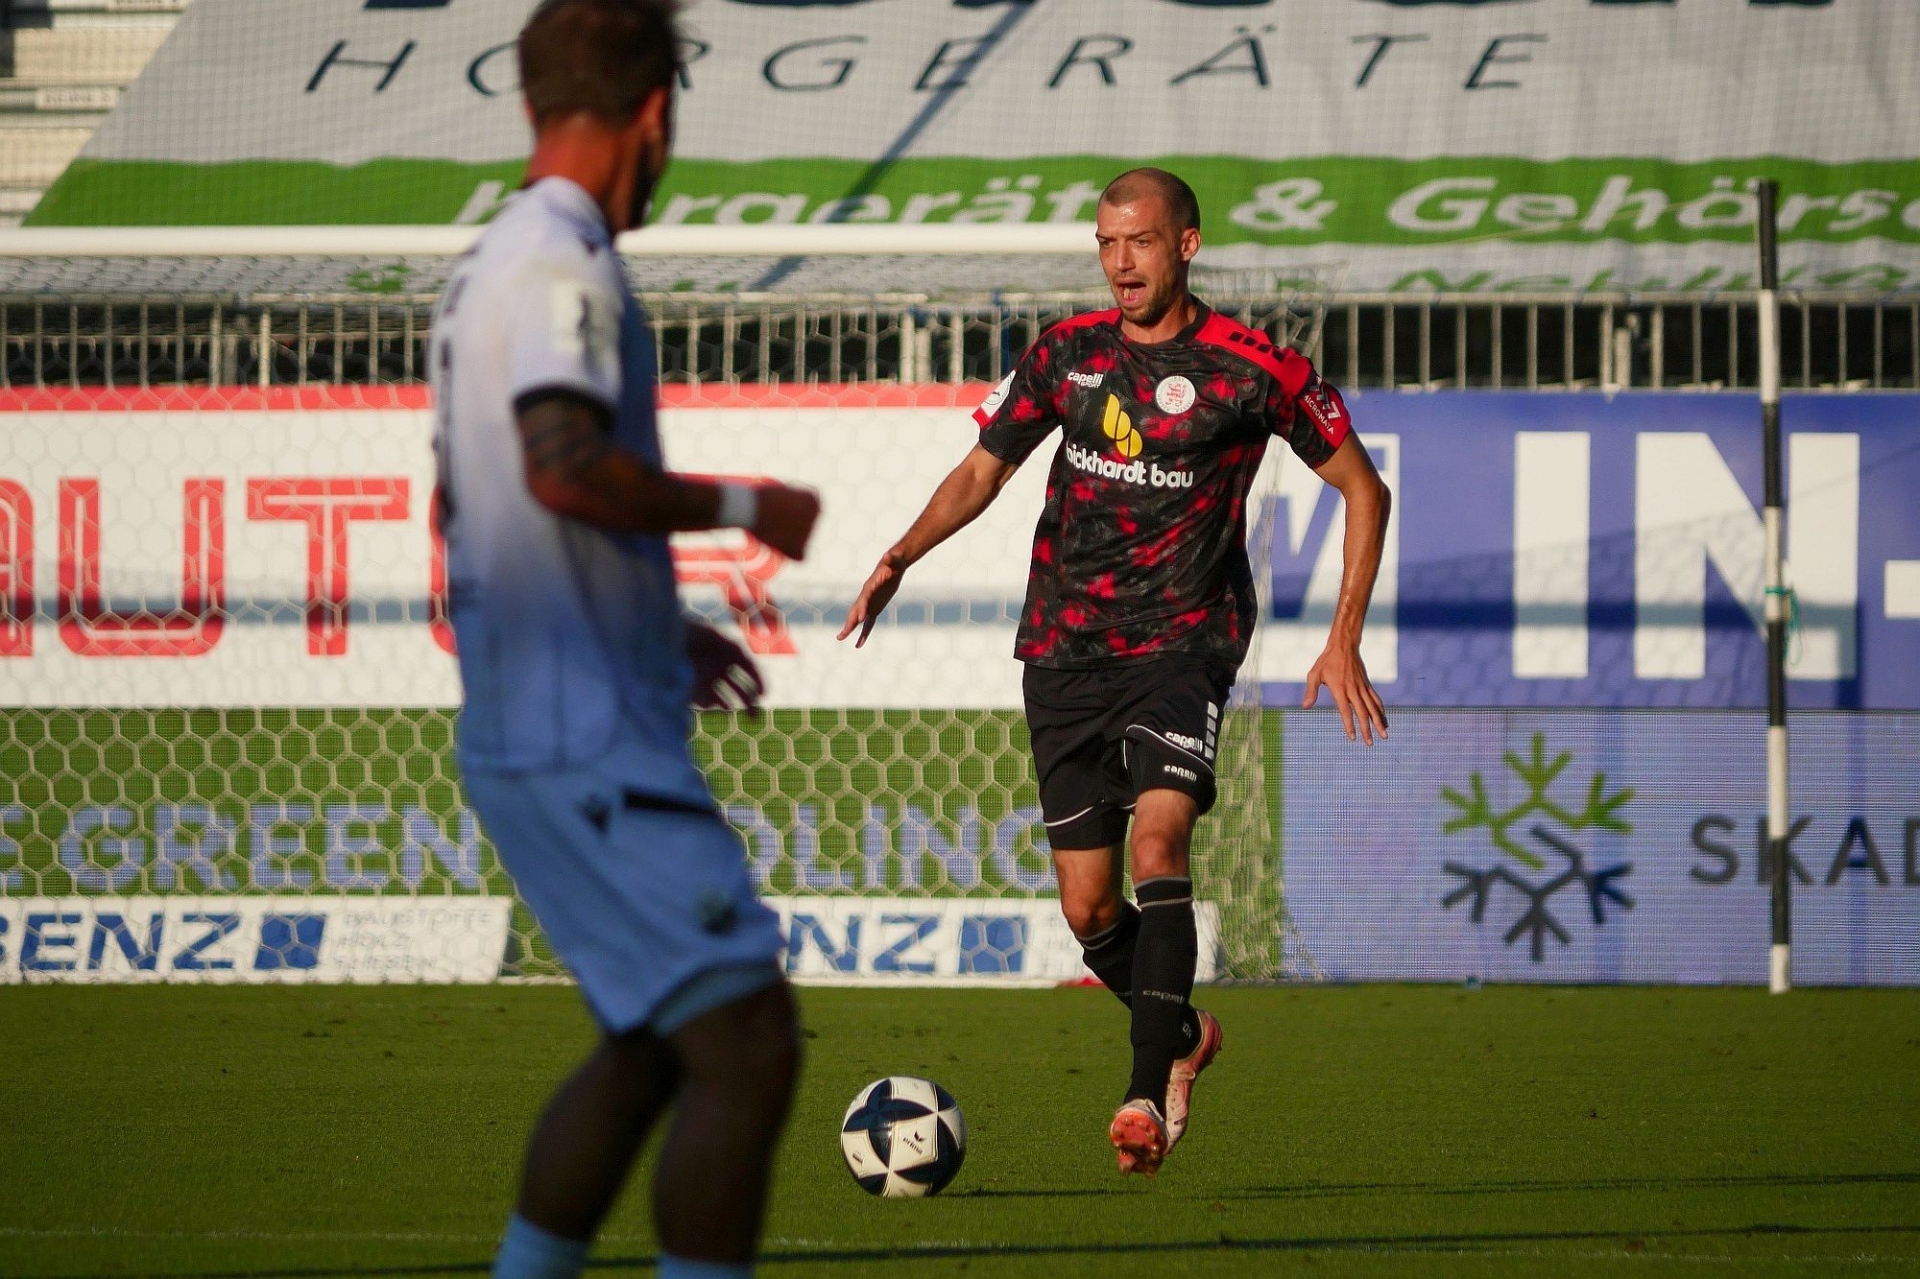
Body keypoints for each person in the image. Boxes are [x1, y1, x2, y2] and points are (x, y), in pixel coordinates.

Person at [839, 167, 1390, 1177]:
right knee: (1089, 908)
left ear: (1186, 244)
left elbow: (1363, 487)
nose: (1120, 262)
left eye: (1139, 241)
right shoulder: (1067, 352)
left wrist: (1343, 634)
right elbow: (984, 467)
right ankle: (1185, 1033)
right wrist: (901, 554)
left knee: (1160, 838)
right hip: (1063, 647)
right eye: (1106, 242)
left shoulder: (1254, 368)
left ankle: (1143, 1093)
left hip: (1184, 643)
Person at [429, 2, 821, 1275]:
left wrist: (657, 624)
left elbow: (464, 502)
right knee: (748, 1045)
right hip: (585, 738)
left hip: (538, 722)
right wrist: (747, 504)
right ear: (656, 113)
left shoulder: (494, 262)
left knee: (652, 1043)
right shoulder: (562, 263)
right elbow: (562, 465)